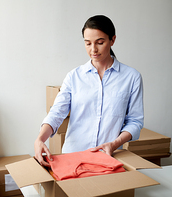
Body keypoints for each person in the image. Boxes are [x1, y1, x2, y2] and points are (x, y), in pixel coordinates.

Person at [34, 15, 144, 167]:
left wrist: (114, 144)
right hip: (72, 157)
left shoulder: (132, 77)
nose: (93, 50)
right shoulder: (74, 76)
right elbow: (57, 113)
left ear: (112, 40)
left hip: (109, 158)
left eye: (100, 42)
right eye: (88, 43)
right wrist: (40, 139)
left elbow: (135, 121)